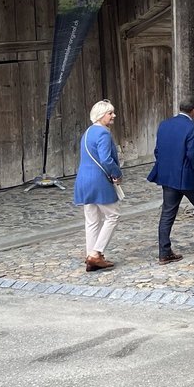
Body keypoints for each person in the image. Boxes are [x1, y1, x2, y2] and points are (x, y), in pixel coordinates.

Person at [147, 97, 194, 264]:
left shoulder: (164, 125)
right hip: (187, 176)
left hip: (168, 176)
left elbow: (157, 151)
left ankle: (164, 252)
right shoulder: (192, 128)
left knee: (167, 213)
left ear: (180, 108)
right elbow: (193, 155)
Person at [74, 99, 123, 272]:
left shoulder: (87, 132)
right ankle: (96, 253)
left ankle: (90, 255)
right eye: (110, 113)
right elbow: (105, 159)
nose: (113, 116)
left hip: (84, 179)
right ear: (101, 115)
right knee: (113, 216)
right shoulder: (103, 133)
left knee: (92, 220)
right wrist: (117, 173)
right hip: (98, 180)